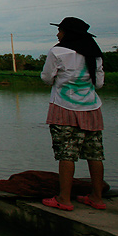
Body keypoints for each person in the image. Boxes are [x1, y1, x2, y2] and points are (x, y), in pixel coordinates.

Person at [40, 16, 106, 211]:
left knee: (66, 155)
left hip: (63, 109)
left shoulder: (57, 52)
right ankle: (97, 197)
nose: (57, 34)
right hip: (92, 109)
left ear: (68, 33)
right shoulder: (94, 53)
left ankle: (64, 199)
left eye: (60, 30)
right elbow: (99, 84)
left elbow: (46, 78)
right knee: (95, 155)